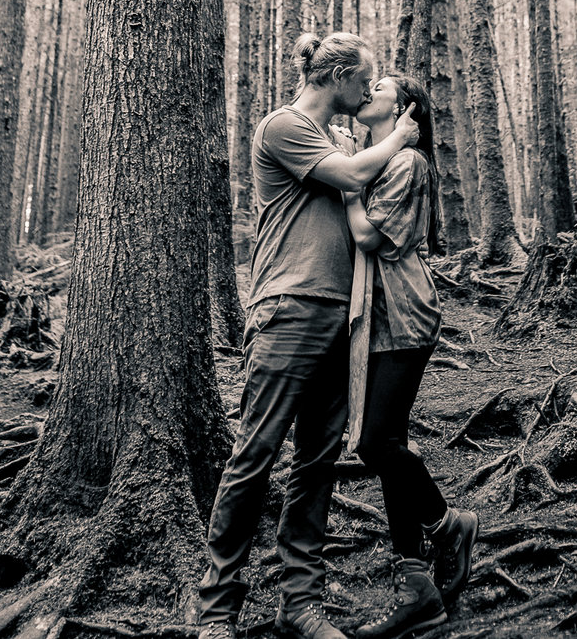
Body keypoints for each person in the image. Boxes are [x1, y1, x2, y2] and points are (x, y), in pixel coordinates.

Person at [198, 32, 421, 639]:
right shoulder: (284, 125)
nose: (370, 90)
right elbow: (350, 176)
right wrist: (401, 133)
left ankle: (301, 603)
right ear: (340, 76)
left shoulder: (335, 135)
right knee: (255, 454)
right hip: (288, 307)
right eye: (365, 79)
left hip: (343, 314)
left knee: (317, 462)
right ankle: (218, 610)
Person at [346, 73, 478, 639]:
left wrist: (351, 189)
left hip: (405, 314)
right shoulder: (380, 156)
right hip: (378, 320)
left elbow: (372, 237)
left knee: (376, 442)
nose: (366, 92)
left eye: (377, 86)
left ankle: (449, 523)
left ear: (401, 107)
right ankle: (417, 588)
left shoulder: (408, 164)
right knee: (389, 442)